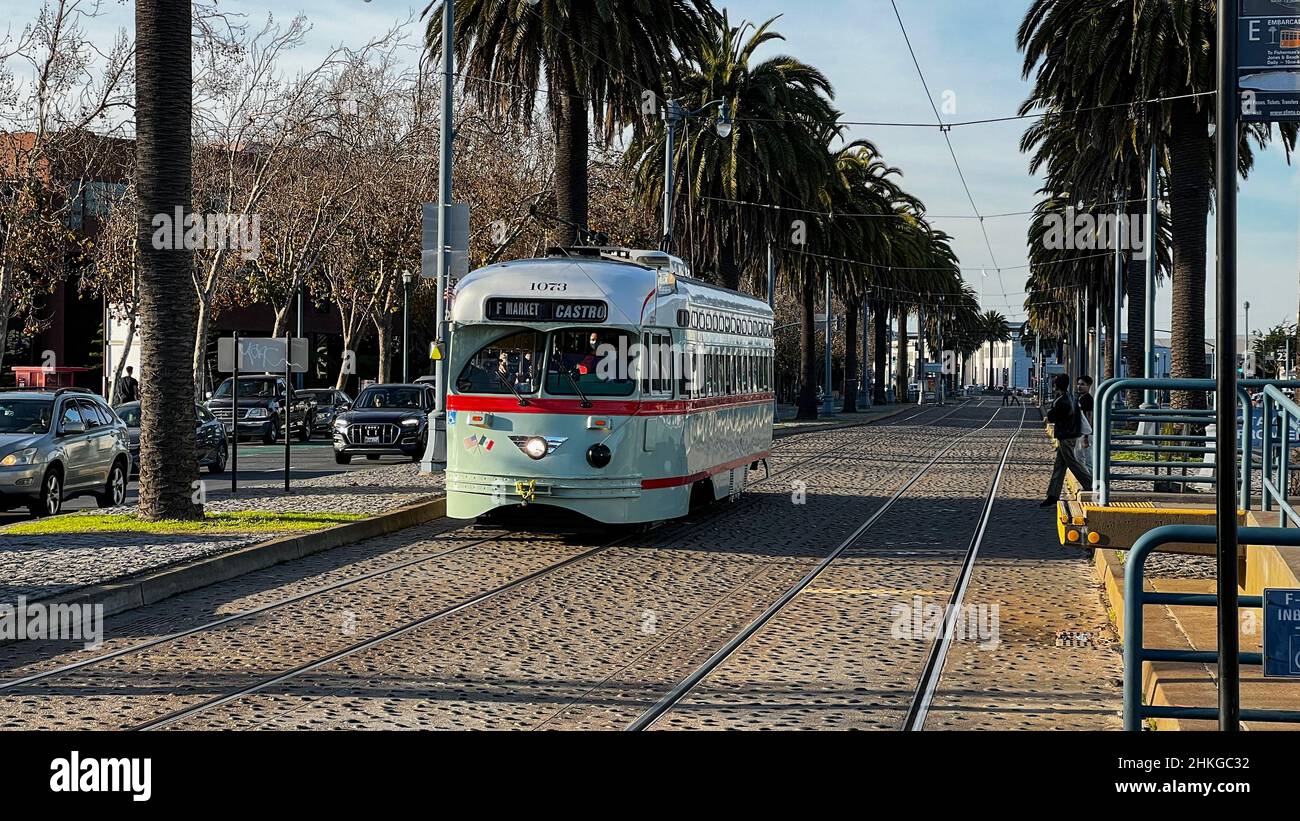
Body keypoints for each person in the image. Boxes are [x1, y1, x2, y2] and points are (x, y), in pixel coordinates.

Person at [1041, 373, 1093, 507]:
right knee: (1059, 466)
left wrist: (1051, 410)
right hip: (1067, 435)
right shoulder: (1068, 397)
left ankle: (1091, 485)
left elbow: (1052, 416)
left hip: (1066, 436)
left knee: (1073, 463)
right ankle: (1053, 495)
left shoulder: (1064, 401)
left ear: (1057, 385)